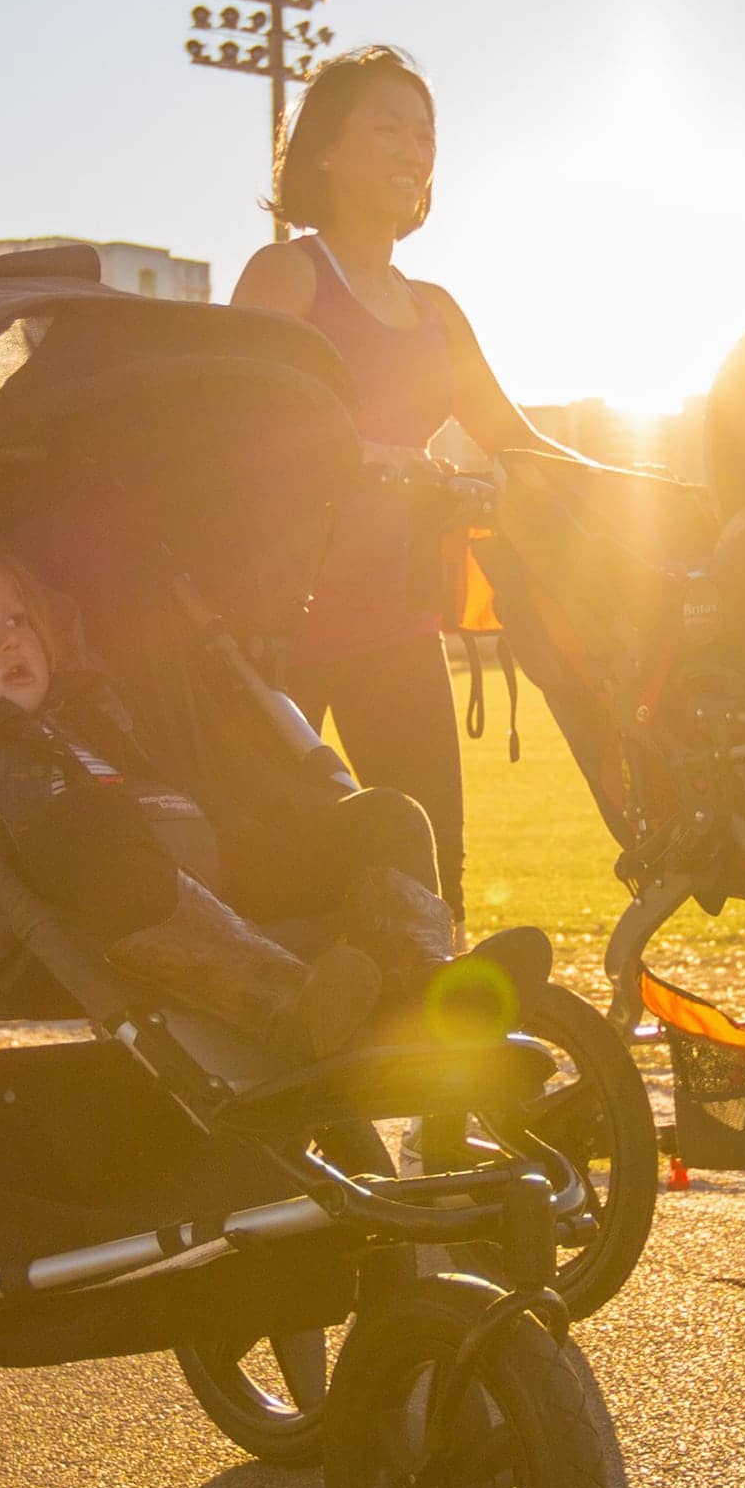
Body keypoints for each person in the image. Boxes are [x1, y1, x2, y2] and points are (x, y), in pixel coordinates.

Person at [0, 528, 456, 1056]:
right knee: (89, 827)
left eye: (17, 620)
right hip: (85, 921)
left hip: (209, 876)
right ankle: (285, 1006)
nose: (10, 641)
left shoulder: (90, 710)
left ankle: (419, 983)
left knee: (387, 815)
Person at [229, 46, 568, 892]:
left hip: (397, 622)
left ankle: (426, 1004)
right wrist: (366, 457)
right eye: (389, 127)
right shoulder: (288, 274)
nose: (414, 150)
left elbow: (517, 440)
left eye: (426, 134)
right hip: (280, 626)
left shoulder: (437, 311)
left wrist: (633, 491)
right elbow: (228, 423)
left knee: (430, 865)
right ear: (325, 149)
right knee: (268, 862)